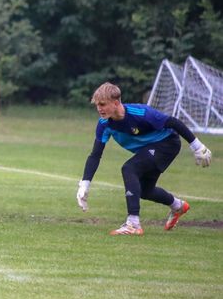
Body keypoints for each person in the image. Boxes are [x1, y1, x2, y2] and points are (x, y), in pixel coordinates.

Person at [76, 82, 212, 235]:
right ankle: (178, 206)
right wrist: (84, 184)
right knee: (145, 191)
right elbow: (95, 155)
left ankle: (133, 224)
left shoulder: (140, 113)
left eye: (102, 104)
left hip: (167, 143)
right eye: (97, 105)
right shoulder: (104, 124)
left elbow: (173, 122)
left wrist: (197, 146)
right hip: (149, 149)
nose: (99, 108)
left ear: (116, 102)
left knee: (129, 168)